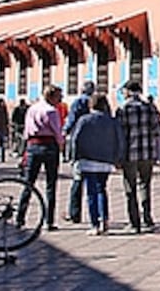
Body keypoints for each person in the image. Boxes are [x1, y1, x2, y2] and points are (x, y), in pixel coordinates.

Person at [69, 93, 125, 235]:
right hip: (105, 161)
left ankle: (95, 224)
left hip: (87, 160)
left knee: (91, 193)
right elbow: (120, 140)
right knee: (102, 189)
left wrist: (74, 158)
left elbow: (75, 139)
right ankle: (104, 219)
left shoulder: (84, 120)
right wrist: (118, 158)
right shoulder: (112, 121)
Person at [17, 85, 65, 231]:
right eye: (58, 96)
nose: (60, 99)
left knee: (28, 183)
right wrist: (61, 145)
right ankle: (48, 221)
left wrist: (24, 150)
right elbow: (57, 131)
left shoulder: (32, 109)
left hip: (32, 145)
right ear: (51, 96)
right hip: (49, 146)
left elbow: (26, 130)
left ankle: (20, 217)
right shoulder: (51, 111)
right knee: (51, 184)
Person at [117, 80, 160, 233]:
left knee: (130, 188)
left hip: (129, 153)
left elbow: (120, 134)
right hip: (147, 153)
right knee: (145, 184)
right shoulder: (149, 107)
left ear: (129, 91)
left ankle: (134, 222)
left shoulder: (123, 109)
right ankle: (147, 218)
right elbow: (157, 130)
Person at [63, 81, 96, 224]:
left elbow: (71, 121)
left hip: (79, 145)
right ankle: (97, 215)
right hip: (94, 145)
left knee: (77, 180)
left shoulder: (78, 103)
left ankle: (74, 213)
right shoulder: (96, 102)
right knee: (95, 183)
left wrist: (64, 132)